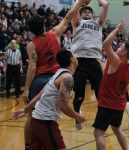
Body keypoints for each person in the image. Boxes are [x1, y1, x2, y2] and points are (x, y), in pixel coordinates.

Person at [22, 0, 91, 149]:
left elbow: (32, 67)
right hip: (56, 78)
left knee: (32, 116)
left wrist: (26, 88)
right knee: (52, 113)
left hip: (40, 79)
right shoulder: (54, 33)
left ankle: (28, 145)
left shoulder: (31, 44)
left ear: (31, 30)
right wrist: (79, 3)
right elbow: (67, 18)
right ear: (44, 24)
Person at [12, 50, 87, 150]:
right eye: (75, 55)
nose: (77, 57)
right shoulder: (67, 78)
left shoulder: (58, 73)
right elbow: (63, 105)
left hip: (37, 119)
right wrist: (77, 117)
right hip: (45, 121)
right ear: (72, 59)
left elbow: (40, 95)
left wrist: (25, 109)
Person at [93, 20, 129, 150]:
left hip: (108, 104)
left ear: (124, 53)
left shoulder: (117, 62)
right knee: (116, 129)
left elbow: (106, 44)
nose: (117, 49)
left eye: (120, 48)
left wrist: (117, 29)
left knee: (98, 133)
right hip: (119, 104)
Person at [70, 0, 109, 130]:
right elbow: (74, 11)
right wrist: (79, 3)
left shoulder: (98, 24)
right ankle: (77, 115)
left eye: (89, 11)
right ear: (81, 15)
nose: (87, 12)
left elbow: (106, 6)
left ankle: (102, 119)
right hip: (79, 61)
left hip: (94, 60)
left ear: (92, 15)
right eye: (84, 11)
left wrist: (101, 2)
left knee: (100, 92)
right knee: (79, 93)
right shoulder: (77, 23)